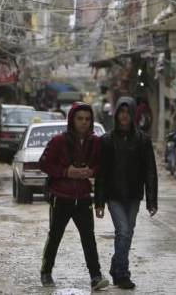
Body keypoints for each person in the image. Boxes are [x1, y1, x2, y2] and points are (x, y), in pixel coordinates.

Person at [37, 102, 110, 291]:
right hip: (61, 197)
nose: (83, 123)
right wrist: (65, 171)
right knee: (55, 236)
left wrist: (90, 171)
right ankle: (46, 272)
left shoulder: (96, 142)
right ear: (72, 120)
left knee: (89, 238)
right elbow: (44, 164)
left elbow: (102, 166)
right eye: (80, 119)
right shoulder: (58, 141)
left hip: (84, 197)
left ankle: (96, 276)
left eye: (87, 119)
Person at [95, 97, 158, 290]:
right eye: (121, 112)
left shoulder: (143, 140)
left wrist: (151, 200)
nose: (124, 116)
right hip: (113, 196)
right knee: (122, 231)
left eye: (127, 112)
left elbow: (150, 171)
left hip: (133, 195)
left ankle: (116, 266)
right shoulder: (106, 140)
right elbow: (101, 172)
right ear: (116, 115)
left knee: (127, 234)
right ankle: (123, 274)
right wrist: (99, 201)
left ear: (132, 115)